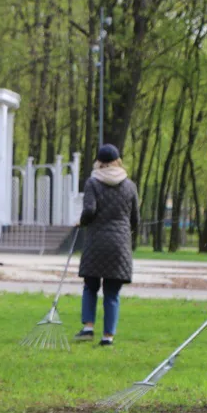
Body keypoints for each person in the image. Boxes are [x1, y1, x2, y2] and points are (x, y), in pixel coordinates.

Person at [74, 144, 139, 346]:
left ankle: (88, 327)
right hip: (119, 244)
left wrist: (82, 222)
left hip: (96, 242)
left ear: (99, 162)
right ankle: (108, 336)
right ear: (118, 161)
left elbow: (90, 210)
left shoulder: (93, 182)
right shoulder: (130, 186)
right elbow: (135, 218)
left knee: (90, 286)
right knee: (112, 293)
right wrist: (127, 234)